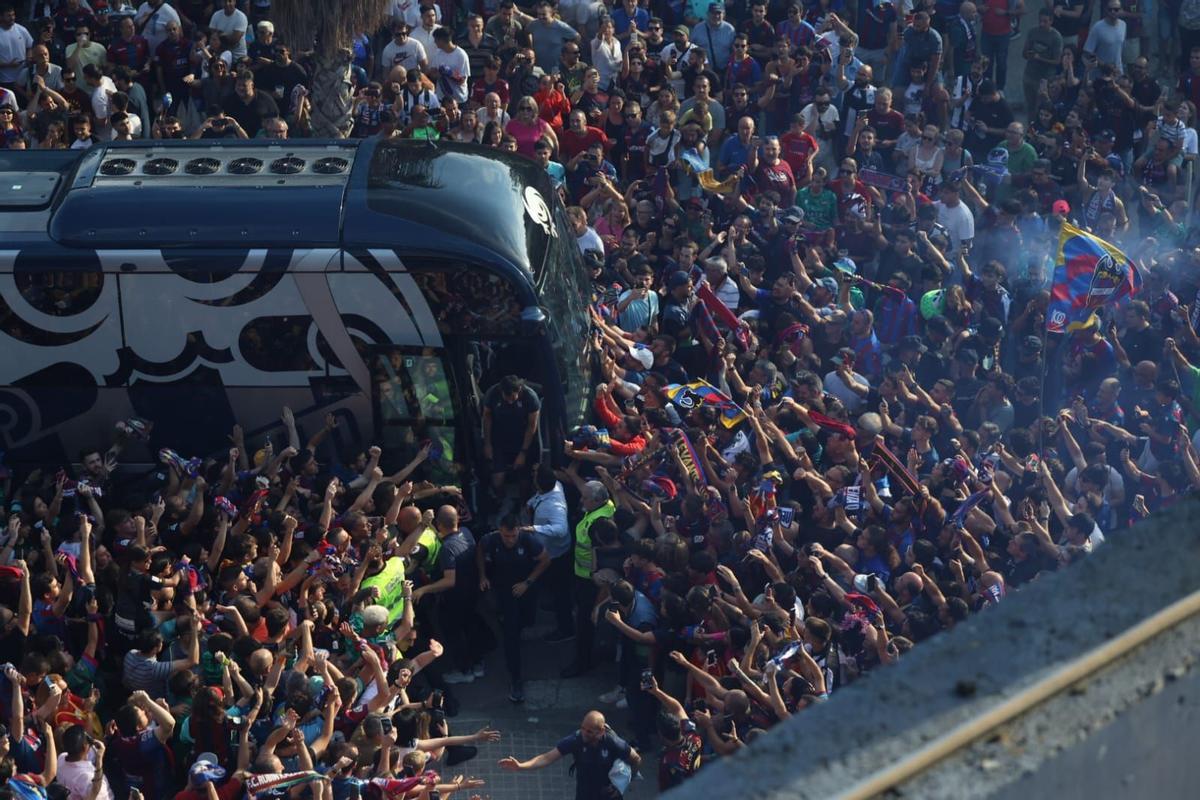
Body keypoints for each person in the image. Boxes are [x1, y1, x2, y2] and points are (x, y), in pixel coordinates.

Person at [476, 515, 550, 702]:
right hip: (504, 591)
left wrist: (528, 582)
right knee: (511, 637)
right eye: (506, 536)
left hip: (524, 589)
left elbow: (545, 559)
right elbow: (479, 550)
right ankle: (516, 679)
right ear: (500, 530)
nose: (510, 540)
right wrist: (482, 576)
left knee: (527, 620)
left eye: (513, 536)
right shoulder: (491, 540)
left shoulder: (528, 540)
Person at [499, 710, 641, 800]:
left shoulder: (612, 742)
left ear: (601, 731)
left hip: (608, 795)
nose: (584, 733)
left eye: (589, 731)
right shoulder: (576, 740)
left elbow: (636, 759)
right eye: (583, 728)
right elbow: (547, 757)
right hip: (585, 794)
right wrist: (521, 766)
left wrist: (621, 785)